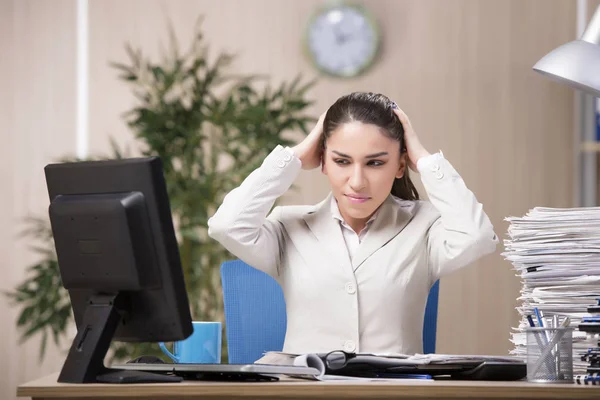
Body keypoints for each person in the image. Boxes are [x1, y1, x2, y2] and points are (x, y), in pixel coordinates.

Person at [208, 92, 498, 356]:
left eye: (375, 163)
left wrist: (424, 160)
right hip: (306, 394)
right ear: (323, 162)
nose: (357, 182)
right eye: (342, 161)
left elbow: (478, 237)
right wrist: (293, 157)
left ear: (400, 165)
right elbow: (226, 226)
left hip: (392, 395)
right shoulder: (289, 226)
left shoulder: (424, 226)